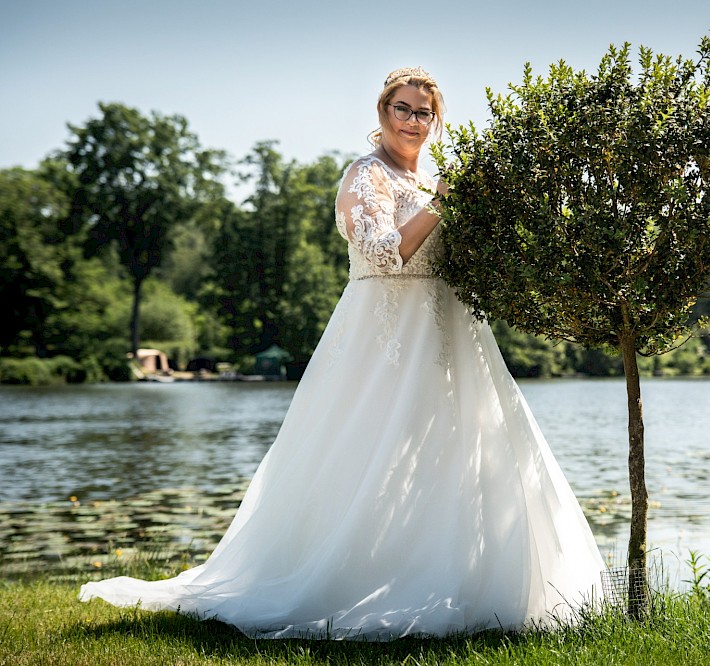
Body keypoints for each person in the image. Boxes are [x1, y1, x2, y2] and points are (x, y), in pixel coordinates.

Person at [80, 66, 606, 640]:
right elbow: (382, 256)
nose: (413, 121)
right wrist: (445, 205)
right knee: (367, 452)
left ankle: (467, 579)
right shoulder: (366, 175)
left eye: (424, 112)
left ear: (437, 119)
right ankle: (351, 579)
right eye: (402, 109)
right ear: (382, 113)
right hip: (383, 338)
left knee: (458, 451)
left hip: (451, 334)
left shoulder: (433, 179)